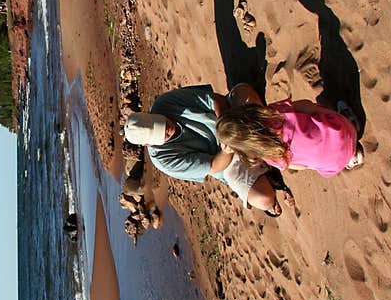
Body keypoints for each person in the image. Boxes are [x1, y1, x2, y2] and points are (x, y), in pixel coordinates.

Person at [123, 84, 294, 217]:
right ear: (147, 144)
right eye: (161, 134)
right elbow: (213, 166)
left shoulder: (164, 103)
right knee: (264, 199)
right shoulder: (164, 160)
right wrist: (227, 148)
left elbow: (216, 100)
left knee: (243, 92)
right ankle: (267, 167)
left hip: (229, 120)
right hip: (227, 160)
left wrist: (224, 128)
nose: (168, 129)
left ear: (150, 113)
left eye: (161, 123)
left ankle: (268, 158)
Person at [216, 98, 364, 177]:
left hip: (335, 164)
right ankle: (350, 124)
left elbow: (302, 167)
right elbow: (308, 105)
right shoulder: (275, 113)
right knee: (318, 111)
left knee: (311, 159)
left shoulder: (270, 156)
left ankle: (351, 158)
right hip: (343, 131)